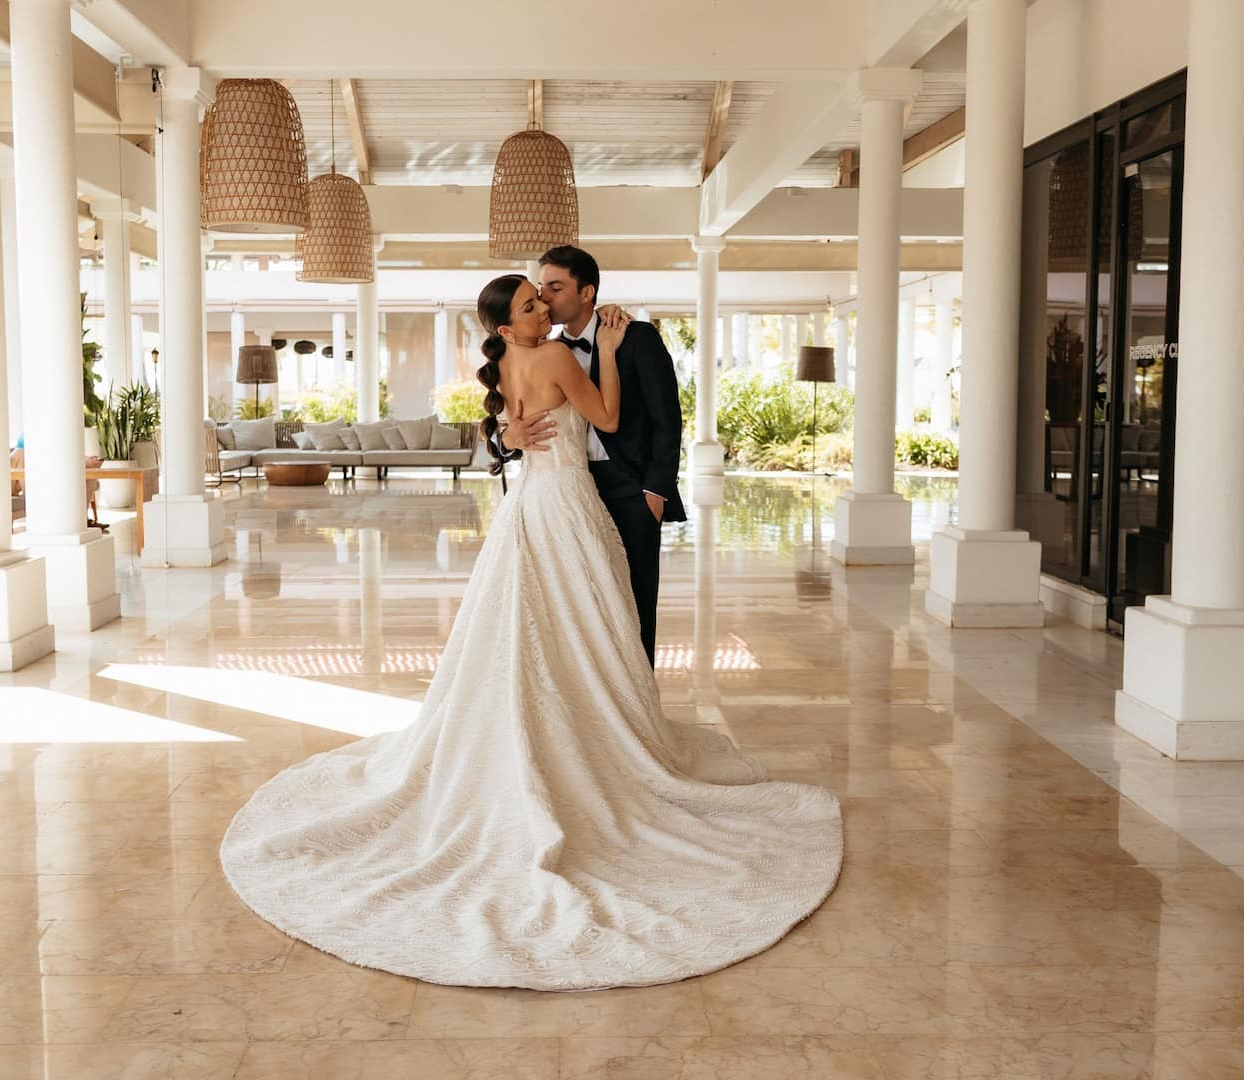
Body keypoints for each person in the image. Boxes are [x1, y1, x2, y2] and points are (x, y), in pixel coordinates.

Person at [219, 275, 842, 992]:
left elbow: (513, 435)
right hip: (567, 505)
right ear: (507, 325)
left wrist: (510, 433)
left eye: (542, 298)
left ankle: (547, 729)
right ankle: (588, 734)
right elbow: (606, 418)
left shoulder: (515, 362)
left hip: (526, 508)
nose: (541, 307)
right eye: (528, 304)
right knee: (584, 625)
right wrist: (606, 348)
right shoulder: (553, 357)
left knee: (531, 627)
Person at [497, 245, 683, 663]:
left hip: (630, 490)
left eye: (555, 287)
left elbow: (667, 420)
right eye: (540, 289)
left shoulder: (637, 338)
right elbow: (504, 423)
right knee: (578, 611)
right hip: (569, 494)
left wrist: (655, 491)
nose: (544, 298)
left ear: (587, 292)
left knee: (633, 607)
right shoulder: (543, 352)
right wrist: (508, 440)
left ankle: (638, 714)